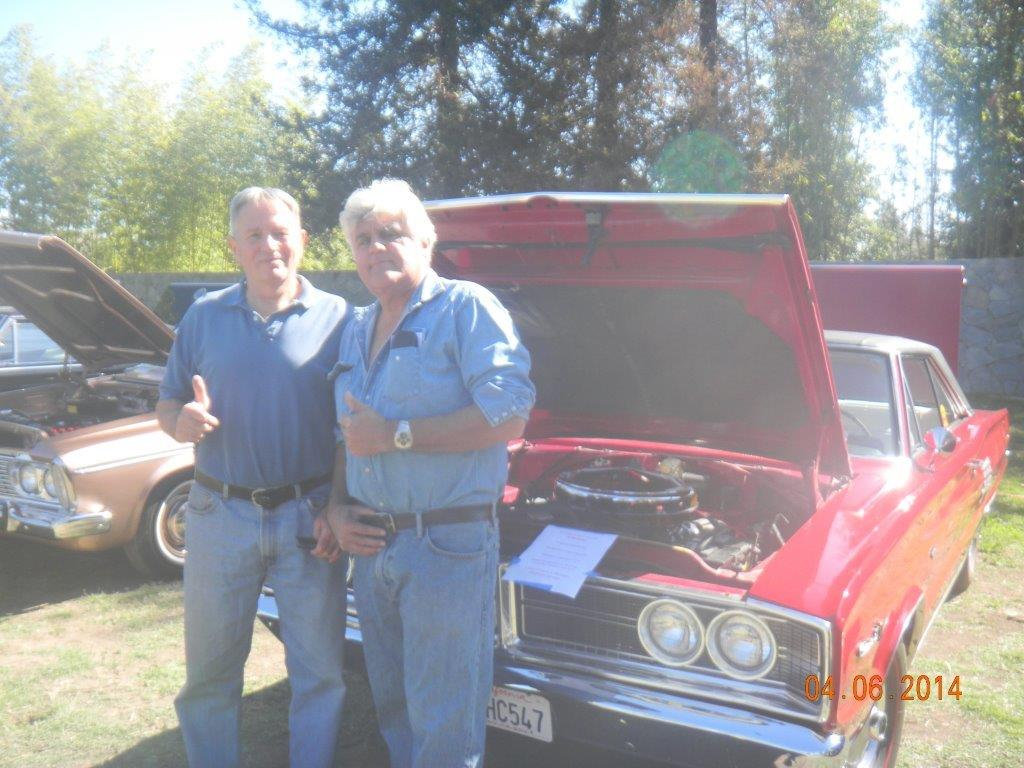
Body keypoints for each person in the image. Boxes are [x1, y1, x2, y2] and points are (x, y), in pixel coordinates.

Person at [323, 179, 535, 768]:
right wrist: (336, 507)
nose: (376, 248)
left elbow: (510, 414)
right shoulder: (357, 327)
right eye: (363, 239)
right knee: (395, 709)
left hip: (445, 544)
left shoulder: (466, 307)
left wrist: (397, 434)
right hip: (372, 547)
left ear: (425, 241)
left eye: (391, 233)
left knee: (444, 722)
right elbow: (348, 434)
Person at [156, 187, 350, 768]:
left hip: (308, 517)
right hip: (219, 514)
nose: (270, 246)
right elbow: (167, 405)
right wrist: (181, 421)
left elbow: (350, 429)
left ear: (303, 240)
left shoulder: (342, 318)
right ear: (234, 247)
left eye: (281, 232)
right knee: (210, 673)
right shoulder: (203, 316)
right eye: (255, 235)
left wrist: (338, 504)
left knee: (319, 673)